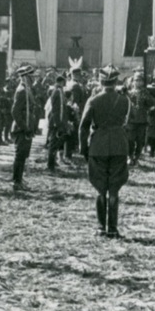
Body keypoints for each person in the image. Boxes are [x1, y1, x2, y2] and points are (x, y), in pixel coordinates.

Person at [79, 64, 130, 238]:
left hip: (98, 146)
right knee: (114, 189)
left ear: (100, 81)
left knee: (101, 189)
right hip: (118, 145)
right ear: (116, 81)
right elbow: (128, 123)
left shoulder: (93, 100)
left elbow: (83, 127)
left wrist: (84, 149)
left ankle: (101, 227)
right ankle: (113, 228)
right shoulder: (124, 100)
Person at [11, 64, 38, 191]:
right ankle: (16, 182)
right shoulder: (21, 91)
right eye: (31, 76)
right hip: (21, 128)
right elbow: (15, 111)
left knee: (23, 155)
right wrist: (24, 127)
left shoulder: (27, 89)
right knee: (20, 155)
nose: (33, 78)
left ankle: (19, 179)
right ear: (25, 77)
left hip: (27, 127)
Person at [46, 74, 68, 174]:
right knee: (53, 143)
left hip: (57, 120)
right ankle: (50, 165)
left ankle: (52, 162)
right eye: (64, 82)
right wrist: (58, 123)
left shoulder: (58, 91)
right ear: (61, 82)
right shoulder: (58, 91)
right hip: (56, 121)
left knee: (55, 143)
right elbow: (57, 109)